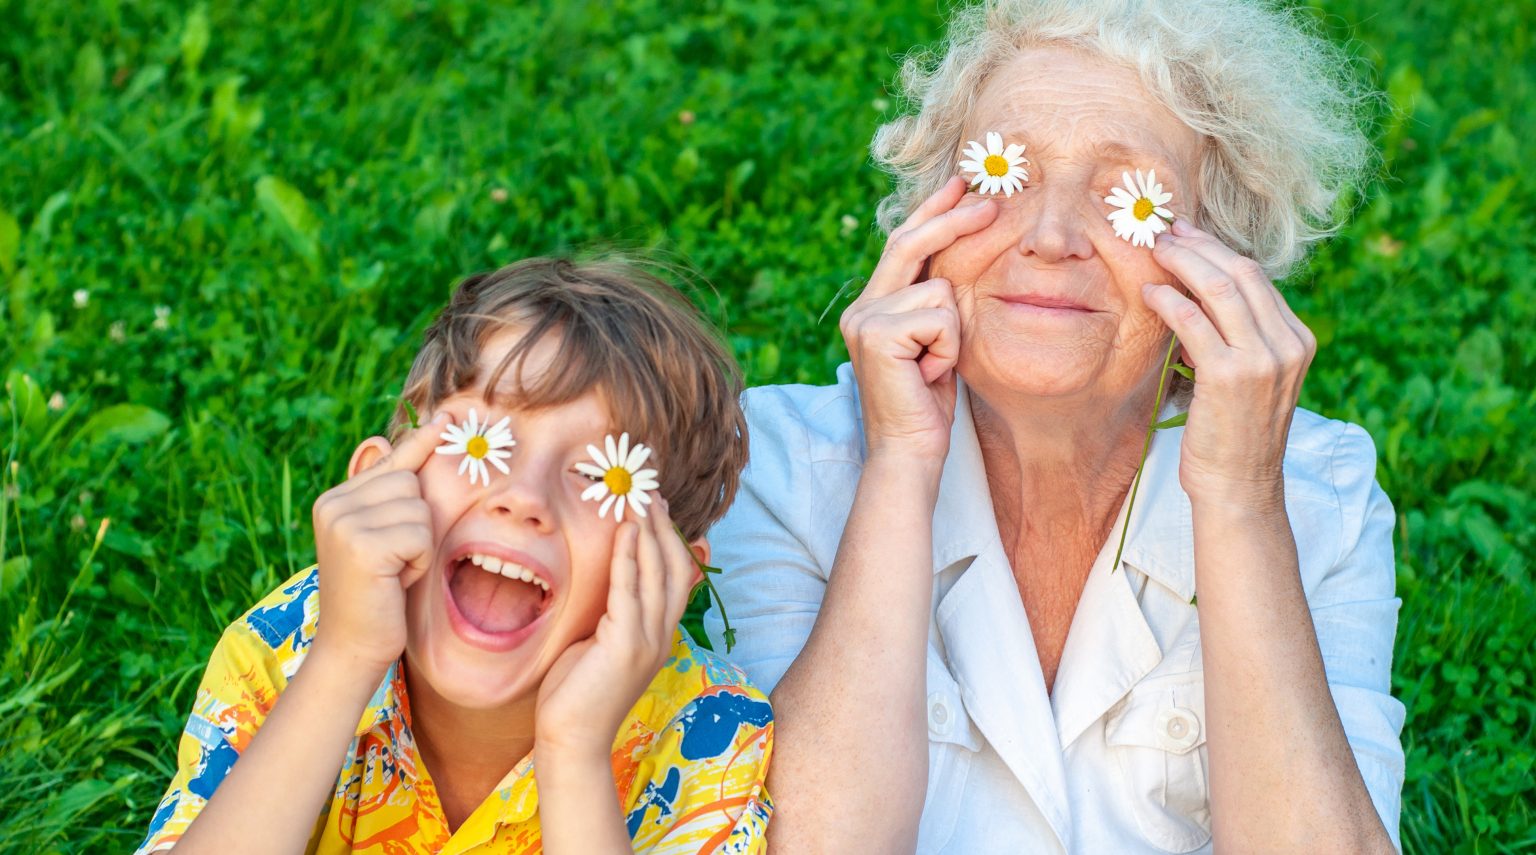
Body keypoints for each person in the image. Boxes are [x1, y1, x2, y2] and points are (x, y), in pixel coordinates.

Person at [704, 0, 1404, 851]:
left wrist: (1238, 502)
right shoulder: (780, 465)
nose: (1050, 235)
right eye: (1003, 171)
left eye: (1129, 198)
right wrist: (897, 463)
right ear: (932, 215)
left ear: (1221, 255)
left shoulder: (1313, 492)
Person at [136, 257, 773, 854]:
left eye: (604, 475)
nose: (525, 497)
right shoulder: (285, 647)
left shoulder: (710, 737)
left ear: (670, 579)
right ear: (377, 487)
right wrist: (344, 659)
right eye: (481, 440)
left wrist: (574, 751)